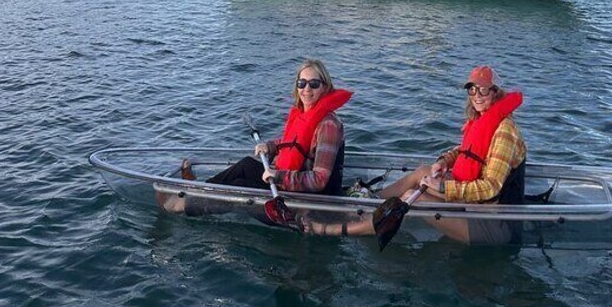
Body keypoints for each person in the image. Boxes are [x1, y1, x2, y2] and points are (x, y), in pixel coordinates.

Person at [307, 65, 526, 244]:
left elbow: (491, 187)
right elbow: (464, 151)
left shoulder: (505, 130)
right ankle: (367, 207)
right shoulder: (482, 120)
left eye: (483, 90)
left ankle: (336, 229)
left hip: (494, 222)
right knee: (423, 171)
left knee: (412, 198)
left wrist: (442, 187)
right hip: (473, 205)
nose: (476, 95)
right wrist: (443, 161)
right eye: (472, 90)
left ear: (496, 92)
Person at [157, 59, 352, 214]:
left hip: (311, 196)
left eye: (314, 84)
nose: (306, 89)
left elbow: (319, 180)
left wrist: (279, 175)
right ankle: (200, 189)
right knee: (246, 165)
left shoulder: (328, 125)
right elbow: (294, 144)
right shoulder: (305, 114)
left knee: (241, 187)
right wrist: (271, 146)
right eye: (301, 83)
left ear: (325, 87)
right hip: (288, 181)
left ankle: (182, 207)